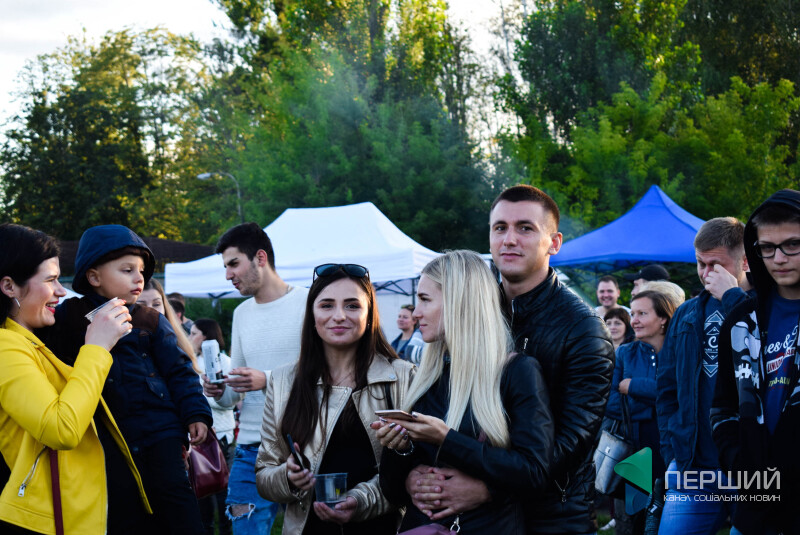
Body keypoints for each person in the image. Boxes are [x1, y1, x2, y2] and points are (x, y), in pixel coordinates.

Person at [404, 185, 614, 535]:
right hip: (480, 522)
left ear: (554, 243)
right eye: (500, 228)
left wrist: (489, 488)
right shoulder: (470, 311)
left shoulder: (583, 329)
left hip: (553, 518)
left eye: (525, 228)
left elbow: (571, 442)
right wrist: (413, 473)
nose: (509, 239)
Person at [47, 224, 211, 534]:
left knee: (179, 510)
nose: (139, 278)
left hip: (161, 431)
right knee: (123, 513)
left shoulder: (151, 319)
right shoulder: (67, 318)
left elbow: (180, 370)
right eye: (127, 270)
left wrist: (196, 413)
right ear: (94, 277)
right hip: (106, 436)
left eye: (141, 271)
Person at [376, 250, 553, 534]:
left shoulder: (516, 372)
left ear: (460, 302)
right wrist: (401, 455)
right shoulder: (427, 377)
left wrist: (447, 440)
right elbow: (392, 491)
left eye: (425, 299)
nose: (416, 313)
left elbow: (534, 473)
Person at [0, 223, 149, 534]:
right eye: (50, 280)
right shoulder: (5, 347)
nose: (61, 291)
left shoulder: (31, 342)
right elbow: (62, 429)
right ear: (9, 286)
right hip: (52, 520)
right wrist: (97, 347)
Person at [254, 263, 415, 534]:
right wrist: (288, 477)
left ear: (369, 314)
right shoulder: (283, 381)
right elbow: (264, 475)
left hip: (380, 527)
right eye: (326, 305)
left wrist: (360, 500)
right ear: (312, 315)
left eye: (352, 305)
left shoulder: (403, 377)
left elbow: (415, 469)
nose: (339, 316)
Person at [203, 222, 308, 534]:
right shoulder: (241, 314)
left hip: (304, 444)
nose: (228, 275)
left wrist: (268, 379)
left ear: (260, 258)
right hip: (251, 448)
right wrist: (218, 390)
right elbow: (235, 394)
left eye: (234, 264)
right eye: (225, 267)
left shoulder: (309, 302)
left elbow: (325, 370)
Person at [712, 190, 800, 534]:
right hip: (756, 502)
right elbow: (722, 405)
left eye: (792, 244)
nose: (779, 258)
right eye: (767, 247)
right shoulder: (739, 321)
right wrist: (738, 462)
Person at [655, 217, 749, 535]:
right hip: (692, 465)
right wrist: (673, 451)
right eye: (700, 264)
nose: (707, 273)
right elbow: (666, 388)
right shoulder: (686, 312)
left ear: (745, 261)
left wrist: (733, 297)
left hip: (749, 469)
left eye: (716, 265)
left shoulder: (764, 306)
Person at [606, 290, 677, 534]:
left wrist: (635, 386)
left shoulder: (680, 351)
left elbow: (682, 395)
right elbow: (611, 403)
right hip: (636, 450)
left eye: (642, 314)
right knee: (636, 520)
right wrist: (657, 404)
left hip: (675, 449)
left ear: (663, 318)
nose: (633, 320)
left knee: (672, 519)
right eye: (633, 313)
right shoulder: (624, 353)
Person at [190, 318, 235, 535]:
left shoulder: (224, 362)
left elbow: (229, 400)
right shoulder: (193, 360)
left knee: (221, 491)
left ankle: (226, 531)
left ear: (206, 336)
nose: (190, 337)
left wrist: (198, 401)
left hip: (221, 435)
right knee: (202, 491)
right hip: (198, 436)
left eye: (194, 333)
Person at [140, 278, 201, 374]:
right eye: (142, 306)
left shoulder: (179, 343)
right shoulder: (122, 345)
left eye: (156, 304)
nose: (151, 310)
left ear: (165, 307)